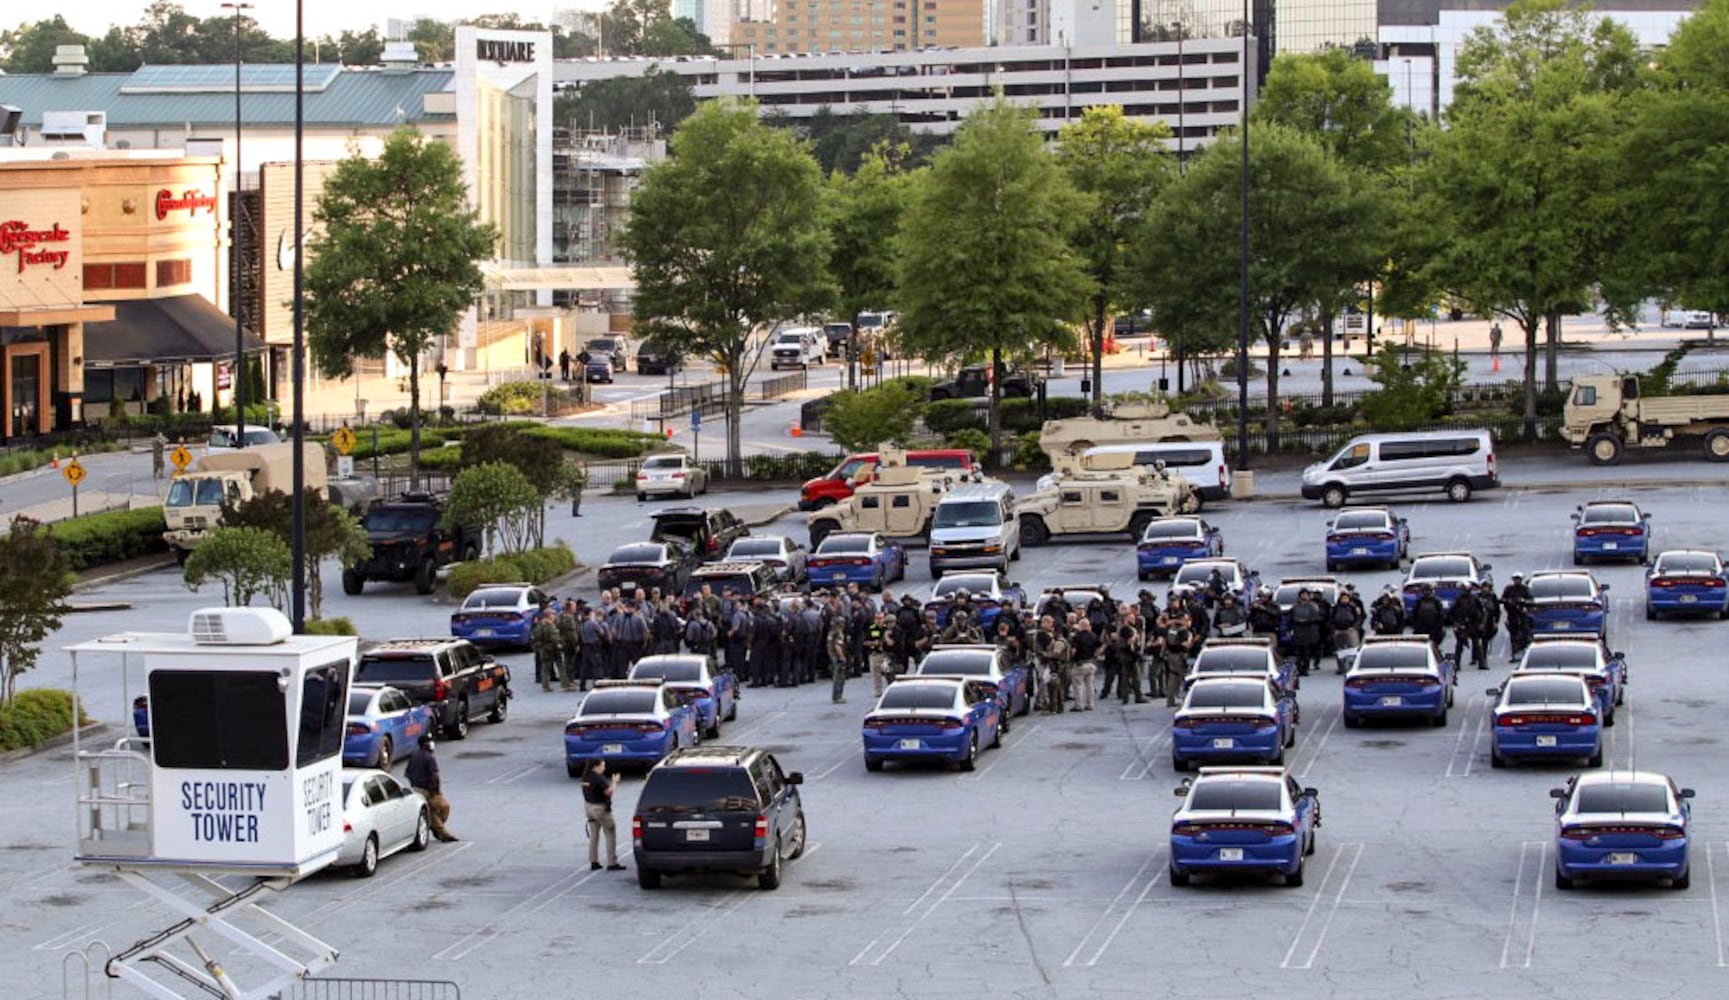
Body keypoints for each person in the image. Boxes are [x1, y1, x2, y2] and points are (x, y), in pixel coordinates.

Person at [406, 733, 457, 842]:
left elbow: (407, 773)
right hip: (429, 790)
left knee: (432, 811)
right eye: (430, 742)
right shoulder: (430, 758)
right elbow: (435, 776)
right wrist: (435, 791)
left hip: (415, 788)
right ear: (425, 745)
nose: (432, 744)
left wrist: (414, 783)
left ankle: (439, 830)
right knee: (444, 807)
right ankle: (438, 829)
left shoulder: (413, 755)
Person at [580, 759, 626, 871]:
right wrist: (615, 782)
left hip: (588, 807)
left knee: (594, 836)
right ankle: (612, 862)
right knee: (610, 833)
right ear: (596, 766)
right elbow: (609, 792)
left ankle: (593, 861)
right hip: (600, 809)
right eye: (602, 766)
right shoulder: (598, 779)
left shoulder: (585, 777)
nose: (604, 768)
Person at [1288, 589, 1325, 676]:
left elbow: (1317, 618)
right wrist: (1290, 629)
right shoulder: (1295, 607)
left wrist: (1307, 621)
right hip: (1297, 631)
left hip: (1308, 631)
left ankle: (1305, 668)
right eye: (1302, 595)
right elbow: (1290, 619)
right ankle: (1298, 668)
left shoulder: (1312, 606)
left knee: (1306, 651)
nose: (1304, 597)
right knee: (1297, 652)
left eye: (1305, 595)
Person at [1069, 618, 1100, 711]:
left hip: (1080, 664)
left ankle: (1079, 705)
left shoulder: (1077, 637)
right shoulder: (1094, 636)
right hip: (1091, 663)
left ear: (1080, 626)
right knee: (1090, 685)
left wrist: (1071, 658)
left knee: (1078, 685)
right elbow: (1099, 648)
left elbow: (1073, 650)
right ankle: (1090, 704)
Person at [1501, 574, 1533, 662]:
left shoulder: (1525, 589)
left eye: (1518, 579)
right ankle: (1514, 654)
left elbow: (1531, 600)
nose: (1517, 581)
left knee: (1525, 634)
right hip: (1512, 615)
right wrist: (1508, 601)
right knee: (1513, 635)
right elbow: (1502, 599)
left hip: (1523, 615)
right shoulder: (1509, 589)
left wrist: (1523, 601)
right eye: (1515, 579)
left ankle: (1525, 654)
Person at [1409, 584, 1448, 649]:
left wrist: (1437, 628)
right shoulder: (1419, 602)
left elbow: (1441, 616)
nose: (1426, 593)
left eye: (1428, 591)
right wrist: (1417, 627)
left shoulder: (1436, 602)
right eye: (1425, 591)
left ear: (1432, 591)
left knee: (1435, 646)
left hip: (1434, 630)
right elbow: (1413, 615)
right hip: (1421, 630)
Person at [532, 606, 562, 692]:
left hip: (545, 648)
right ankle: (548, 685)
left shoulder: (541, 624)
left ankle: (546, 685)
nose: (554, 616)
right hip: (550, 648)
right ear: (549, 615)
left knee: (546, 668)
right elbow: (553, 637)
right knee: (553, 666)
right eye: (553, 614)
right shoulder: (548, 625)